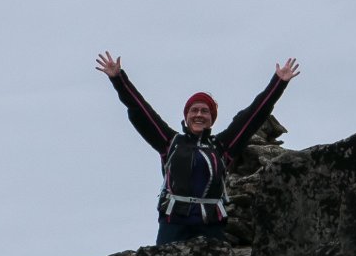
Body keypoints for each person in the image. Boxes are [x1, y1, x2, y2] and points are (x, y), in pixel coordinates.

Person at [96, 51, 300, 245]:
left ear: (211, 119)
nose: (199, 114)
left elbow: (254, 115)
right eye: (194, 110)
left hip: (210, 225)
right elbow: (141, 109)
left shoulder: (222, 147)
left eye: (205, 111)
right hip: (173, 224)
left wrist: (278, 83)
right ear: (186, 117)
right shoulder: (170, 142)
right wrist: (118, 79)